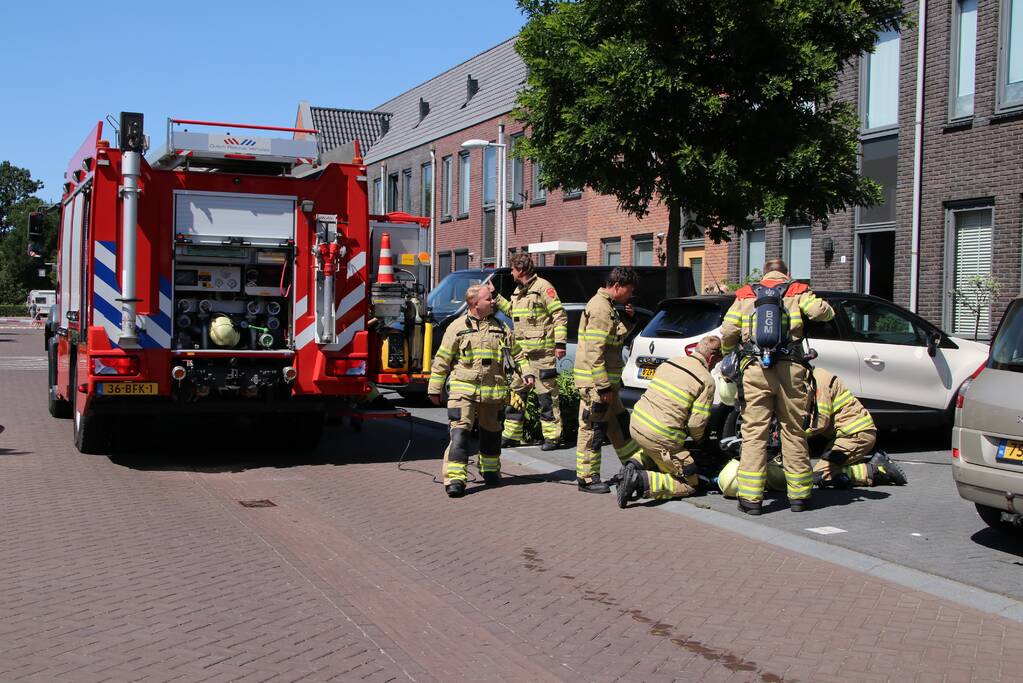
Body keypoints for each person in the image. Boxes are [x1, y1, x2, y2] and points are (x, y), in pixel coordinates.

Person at [721, 257, 834, 514]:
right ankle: (800, 497)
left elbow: (728, 331)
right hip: (791, 369)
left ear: (764, 274)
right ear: (787, 273)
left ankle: (751, 501)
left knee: (754, 433)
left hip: (755, 370)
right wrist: (828, 310)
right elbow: (820, 312)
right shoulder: (797, 291)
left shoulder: (746, 294)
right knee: (793, 431)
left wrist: (731, 352)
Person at [428, 284, 530, 498]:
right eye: (488, 299)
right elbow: (442, 360)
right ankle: (455, 479)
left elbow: (518, 355)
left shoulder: (501, 328)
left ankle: (491, 471)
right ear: (475, 304)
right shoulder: (457, 327)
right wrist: (434, 389)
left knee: (492, 434)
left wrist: (527, 374)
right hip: (463, 392)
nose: (493, 301)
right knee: (460, 434)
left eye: (492, 298)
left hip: (492, 393)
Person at [616, 335, 722, 507]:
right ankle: (639, 480)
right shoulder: (706, 380)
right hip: (660, 435)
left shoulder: (670, 362)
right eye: (717, 361)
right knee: (690, 481)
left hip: (636, 423)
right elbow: (696, 424)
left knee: (655, 450)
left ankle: (632, 467)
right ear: (712, 358)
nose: (715, 365)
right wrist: (701, 441)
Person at [574, 267, 642, 494]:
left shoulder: (609, 307)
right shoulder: (601, 308)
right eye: (629, 291)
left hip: (607, 385)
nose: (630, 295)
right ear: (617, 286)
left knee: (619, 426)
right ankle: (587, 478)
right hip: (597, 386)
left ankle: (633, 469)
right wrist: (602, 385)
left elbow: (612, 338)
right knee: (593, 429)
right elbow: (595, 350)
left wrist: (629, 320)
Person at [491, 253, 569, 450]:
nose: (511, 272)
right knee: (517, 395)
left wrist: (560, 343)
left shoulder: (543, 287)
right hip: (523, 355)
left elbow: (559, 315)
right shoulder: (518, 290)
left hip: (542, 354)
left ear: (522, 270)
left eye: (513, 269)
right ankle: (511, 435)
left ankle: (553, 437)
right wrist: (496, 297)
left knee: (546, 398)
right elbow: (512, 312)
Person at [808, 367, 908, 488]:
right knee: (829, 467)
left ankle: (875, 469)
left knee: (820, 474)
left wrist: (793, 436)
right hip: (850, 435)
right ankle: (870, 463)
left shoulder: (818, 380)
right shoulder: (812, 378)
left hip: (854, 436)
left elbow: (820, 422)